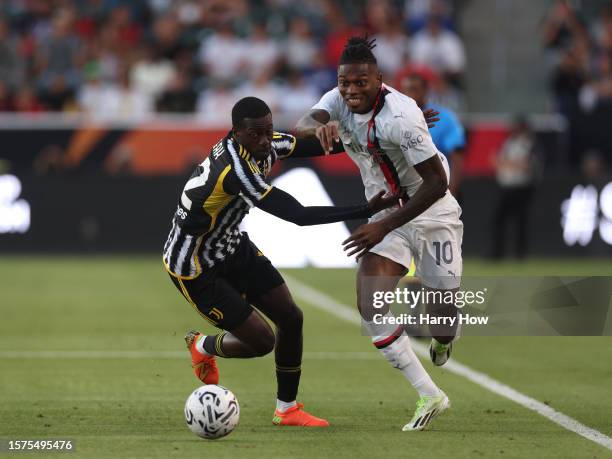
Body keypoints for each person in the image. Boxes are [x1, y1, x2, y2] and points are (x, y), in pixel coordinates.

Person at [163, 96, 397, 428]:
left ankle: (287, 409)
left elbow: (317, 146)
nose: (263, 141)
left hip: (231, 245)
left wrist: (380, 135)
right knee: (262, 341)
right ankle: (203, 345)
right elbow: (297, 215)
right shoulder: (235, 169)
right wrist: (364, 210)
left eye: (267, 131)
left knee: (291, 317)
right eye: (254, 135)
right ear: (236, 133)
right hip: (195, 266)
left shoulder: (267, 143)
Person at [295, 37, 463, 431]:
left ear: (379, 80)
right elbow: (303, 124)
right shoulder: (337, 99)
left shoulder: (403, 117)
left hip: (432, 212)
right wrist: (321, 126)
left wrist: (383, 225)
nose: (351, 91)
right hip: (386, 212)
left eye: (361, 83)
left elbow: (437, 183)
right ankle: (430, 394)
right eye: (345, 83)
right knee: (370, 303)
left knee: (443, 319)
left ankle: (443, 339)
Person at [399, 72, 466, 197]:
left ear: (425, 91)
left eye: (413, 89)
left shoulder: (444, 118)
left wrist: (451, 190)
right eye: (405, 91)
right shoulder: (396, 120)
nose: (408, 95)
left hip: (437, 189)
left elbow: (457, 157)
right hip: (407, 190)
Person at [491, 116, 538, 259]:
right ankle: (498, 253)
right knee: (498, 220)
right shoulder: (509, 143)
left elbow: (528, 166)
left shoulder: (530, 144)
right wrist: (510, 163)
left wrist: (508, 163)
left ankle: (520, 253)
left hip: (522, 187)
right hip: (507, 186)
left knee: (520, 221)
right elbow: (496, 160)